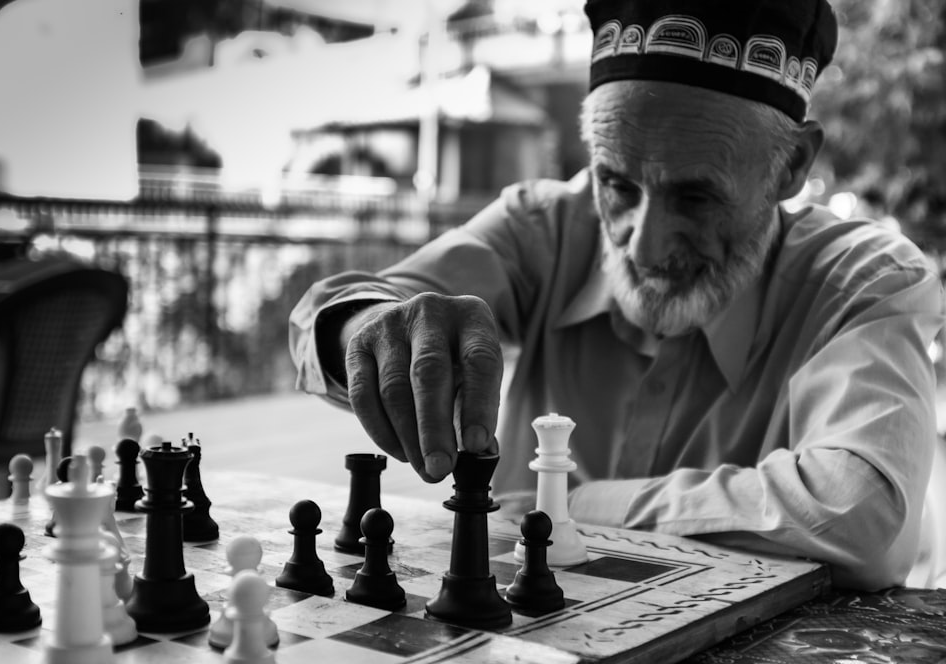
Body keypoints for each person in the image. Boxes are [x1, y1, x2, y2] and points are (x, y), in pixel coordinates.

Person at [289, 0, 946, 591]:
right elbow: (337, 312)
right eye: (618, 185)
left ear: (792, 167)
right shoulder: (546, 224)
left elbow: (865, 515)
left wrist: (568, 507)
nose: (643, 248)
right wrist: (370, 326)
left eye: (695, 196)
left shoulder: (860, 280)